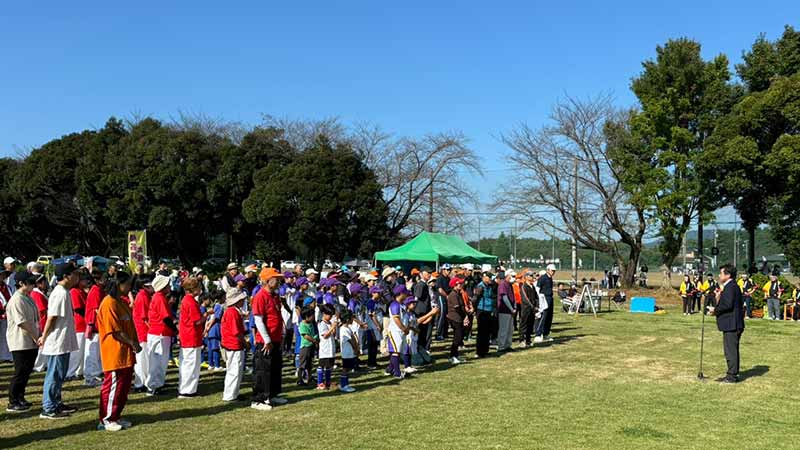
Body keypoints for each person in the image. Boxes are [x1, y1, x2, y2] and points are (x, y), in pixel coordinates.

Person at [95, 271, 139, 431]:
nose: (129, 287)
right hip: (114, 352)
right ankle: (106, 419)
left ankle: (116, 415)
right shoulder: (108, 303)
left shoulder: (121, 301)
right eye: (127, 284)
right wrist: (132, 343)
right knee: (113, 386)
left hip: (125, 353)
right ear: (118, 284)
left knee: (123, 387)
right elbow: (115, 331)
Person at [38, 263, 81, 419]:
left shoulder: (65, 292)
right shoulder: (60, 293)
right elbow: (52, 317)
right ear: (66, 276)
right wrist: (44, 335)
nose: (77, 277)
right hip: (57, 341)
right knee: (54, 374)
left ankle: (56, 402)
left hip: (63, 340)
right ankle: (48, 407)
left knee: (60, 374)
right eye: (74, 274)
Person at [251, 268, 286, 411]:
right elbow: (258, 320)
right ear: (267, 280)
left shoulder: (275, 296)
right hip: (265, 341)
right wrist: (266, 339)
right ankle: (258, 399)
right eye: (275, 278)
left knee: (275, 367)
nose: (278, 281)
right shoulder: (260, 296)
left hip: (276, 338)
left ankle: (272, 394)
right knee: (263, 370)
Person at [5, 272, 40, 412]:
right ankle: (13, 400)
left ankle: (20, 397)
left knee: (26, 371)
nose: (33, 284)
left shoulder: (27, 298)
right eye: (30, 282)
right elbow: (22, 323)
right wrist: (35, 336)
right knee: (20, 371)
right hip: (20, 341)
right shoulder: (16, 300)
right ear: (21, 283)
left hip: (30, 340)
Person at [708, 264, 745, 383]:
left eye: (721, 273)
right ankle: (731, 373)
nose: (719, 275)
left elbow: (727, 304)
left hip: (732, 324)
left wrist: (715, 310)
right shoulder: (731, 286)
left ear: (728, 275)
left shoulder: (730, 287)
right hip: (732, 323)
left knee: (731, 351)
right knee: (730, 350)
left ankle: (732, 376)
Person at [146, 274, 176, 396]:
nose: (169, 286)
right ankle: (153, 386)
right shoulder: (159, 298)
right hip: (159, 332)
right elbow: (166, 318)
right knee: (157, 361)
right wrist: (175, 330)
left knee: (159, 361)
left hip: (159, 332)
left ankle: (158, 383)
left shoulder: (159, 297)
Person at [177, 277, 208, 398]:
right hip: (191, 336)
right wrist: (206, 314)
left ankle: (185, 388)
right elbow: (197, 321)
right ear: (193, 289)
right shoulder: (190, 302)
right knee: (191, 364)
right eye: (198, 287)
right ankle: (187, 390)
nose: (200, 289)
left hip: (187, 335)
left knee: (187, 363)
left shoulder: (186, 300)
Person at [221, 288, 248, 402]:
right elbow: (236, 331)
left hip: (232, 344)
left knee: (235, 370)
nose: (243, 301)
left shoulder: (233, 311)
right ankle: (230, 395)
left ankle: (233, 393)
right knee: (234, 371)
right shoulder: (232, 312)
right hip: (233, 345)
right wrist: (245, 342)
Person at [83, 270, 105, 387]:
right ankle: (90, 377)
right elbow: (97, 309)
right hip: (94, 325)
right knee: (92, 352)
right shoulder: (96, 290)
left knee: (95, 352)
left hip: (95, 325)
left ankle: (93, 375)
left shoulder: (96, 290)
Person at [67, 271, 90, 380]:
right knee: (77, 351)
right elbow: (78, 308)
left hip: (84, 324)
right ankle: (70, 372)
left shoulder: (82, 291)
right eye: (84, 280)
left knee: (83, 351)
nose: (86, 282)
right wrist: (88, 315)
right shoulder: (74, 291)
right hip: (79, 324)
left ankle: (79, 371)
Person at [131, 276, 152, 392]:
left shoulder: (143, 295)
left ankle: (143, 381)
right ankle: (140, 383)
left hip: (142, 331)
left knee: (144, 359)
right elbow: (145, 317)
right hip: (142, 332)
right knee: (142, 359)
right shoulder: (143, 296)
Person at [386, 285, 410, 378]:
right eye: (405, 293)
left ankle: (389, 369)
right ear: (400, 294)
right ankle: (397, 373)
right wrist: (404, 328)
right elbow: (396, 319)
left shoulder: (401, 304)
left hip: (401, 331)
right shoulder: (394, 304)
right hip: (395, 330)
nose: (406, 295)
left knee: (398, 351)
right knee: (396, 351)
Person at [473, 272, 495, 358]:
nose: (491, 279)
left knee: (487, 331)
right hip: (482, 310)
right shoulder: (480, 286)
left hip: (488, 310)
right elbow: (475, 299)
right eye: (489, 278)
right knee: (482, 332)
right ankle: (479, 352)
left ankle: (485, 350)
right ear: (484, 277)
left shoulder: (489, 286)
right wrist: (475, 310)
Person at [31, 274, 50, 372]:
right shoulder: (37, 294)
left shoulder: (38, 293)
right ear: (39, 283)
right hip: (42, 322)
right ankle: (38, 365)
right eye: (44, 282)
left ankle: (42, 364)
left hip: (43, 321)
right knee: (42, 345)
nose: (46, 284)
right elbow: (42, 311)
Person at [316, 304, 337, 390]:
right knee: (322, 365)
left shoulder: (330, 323)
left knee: (329, 366)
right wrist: (332, 328)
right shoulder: (322, 324)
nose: (330, 317)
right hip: (324, 349)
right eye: (329, 315)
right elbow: (325, 335)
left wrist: (334, 328)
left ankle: (328, 381)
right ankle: (320, 382)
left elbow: (333, 334)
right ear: (324, 314)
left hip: (330, 347)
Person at [447, 277, 467, 364]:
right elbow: (457, 308)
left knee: (459, 337)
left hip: (458, 317)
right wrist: (464, 316)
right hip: (455, 318)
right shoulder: (453, 295)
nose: (461, 285)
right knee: (457, 338)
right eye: (459, 284)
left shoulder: (458, 293)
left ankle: (456, 355)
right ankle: (452, 356)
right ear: (455, 285)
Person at [534, 264, 556, 343]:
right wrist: (540, 298)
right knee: (543, 316)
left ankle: (546, 333)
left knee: (549, 317)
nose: (553, 272)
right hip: (544, 298)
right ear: (548, 270)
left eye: (554, 271)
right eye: (552, 270)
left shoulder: (550, 279)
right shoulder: (543, 278)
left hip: (550, 297)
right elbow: (537, 288)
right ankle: (538, 334)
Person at [204, 290, 224, 371]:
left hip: (211, 330)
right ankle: (217, 365)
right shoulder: (219, 306)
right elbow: (215, 318)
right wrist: (209, 327)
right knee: (215, 348)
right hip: (215, 329)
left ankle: (211, 364)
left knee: (210, 348)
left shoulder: (214, 306)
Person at [297, 307, 317, 386]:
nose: (313, 317)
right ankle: (300, 379)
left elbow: (312, 334)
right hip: (305, 347)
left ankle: (310, 377)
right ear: (306, 316)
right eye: (312, 315)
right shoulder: (302, 325)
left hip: (311, 346)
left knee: (309, 364)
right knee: (302, 364)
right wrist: (313, 340)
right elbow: (305, 336)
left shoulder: (311, 324)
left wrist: (316, 338)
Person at [339, 310, 358, 392]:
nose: (352, 320)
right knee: (345, 369)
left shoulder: (347, 328)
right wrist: (355, 349)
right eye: (351, 318)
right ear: (347, 319)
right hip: (346, 353)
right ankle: (344, 385)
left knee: (347, 369)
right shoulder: (344, 329)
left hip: (349, 353)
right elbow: (351, 340)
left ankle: (345, 384)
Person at [496, 271, 515, 352]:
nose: (514, 278)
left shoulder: (510, 285)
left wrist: (514, 307)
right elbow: (504, 297)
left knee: (510, 329)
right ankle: (501, 346)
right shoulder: (502, 284)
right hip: (504, 310)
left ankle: (508, 345)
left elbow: (512, 297)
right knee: (503, 329)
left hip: (510, 311)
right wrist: (511, 308)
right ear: (507, 276)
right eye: (513, 276)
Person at [519, 271, 538, 348]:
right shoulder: (523, 286)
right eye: (530, 276)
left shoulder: (532, 286)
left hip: (532, 309)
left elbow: (536, 297)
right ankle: (522, 340)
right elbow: (525, 298)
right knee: (524, 324)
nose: (532, 277)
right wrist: (532, 306)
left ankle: (528, 340)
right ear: (526, 277)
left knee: (530, 324)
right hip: (526, 308)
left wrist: (537, 305)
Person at [435, 264, 453, 340]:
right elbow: (440, 290)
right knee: (441, 315)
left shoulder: (448, 279)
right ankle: (438, 333)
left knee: (446, 316)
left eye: (450, 270)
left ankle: (444, 333)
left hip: (447, 298)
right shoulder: (440, 278)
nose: (449, 271)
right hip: (441, 298)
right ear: (443, 270)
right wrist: (447, 296)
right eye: (447, 270)